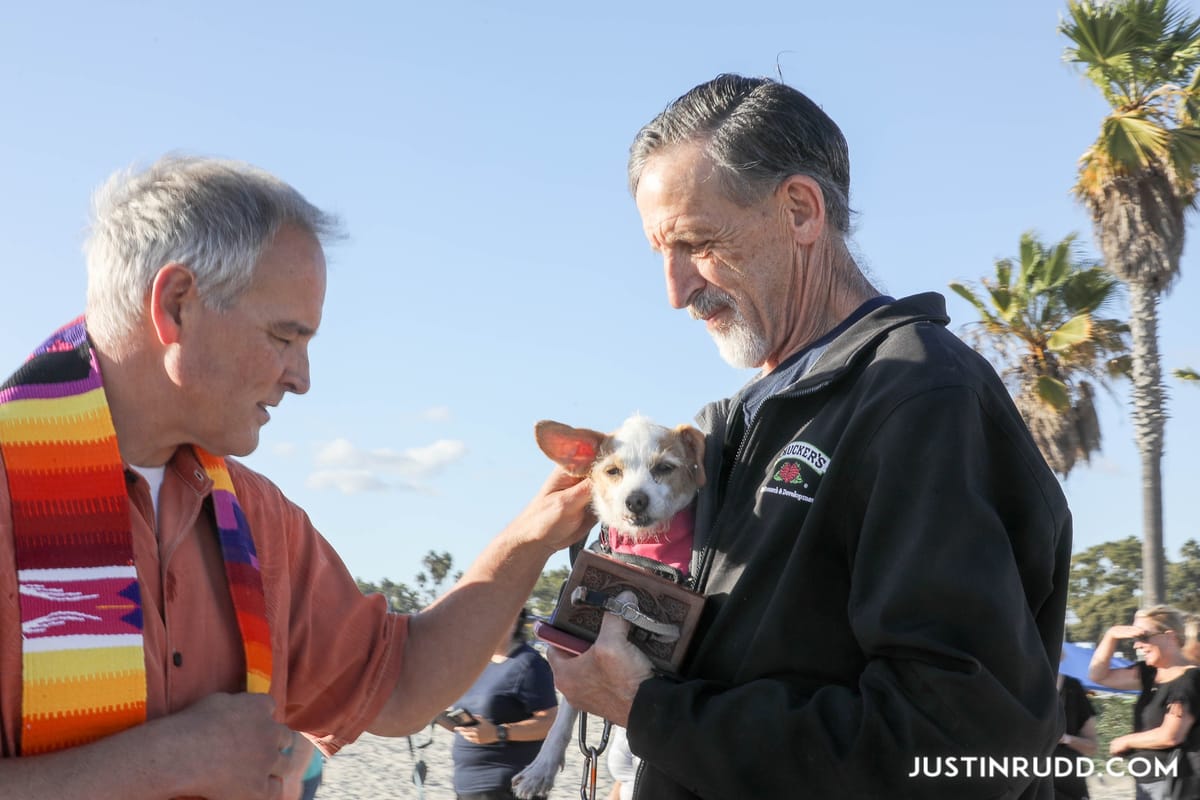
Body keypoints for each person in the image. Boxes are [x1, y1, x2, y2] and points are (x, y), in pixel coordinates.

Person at [0, 155, 595, 799]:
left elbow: (396, 685)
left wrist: (538, 531)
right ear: (176, 306)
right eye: (285, 337)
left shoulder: (255, 518)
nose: (302, 378)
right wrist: (164, 764)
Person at [546, 74, 1072, 799]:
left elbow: (962, 745)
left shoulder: (918, 395)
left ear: (800, 210)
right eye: (658, 254)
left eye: (695, 244)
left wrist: (652, 712)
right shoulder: (721, 430)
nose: (673, 291)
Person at [1089, 606, 1200, 800]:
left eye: (1144, 637)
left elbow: (1170, 735)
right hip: (1149, 782)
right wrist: (1111, 636)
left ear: (1170, 636)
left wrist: (1125, 741)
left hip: (1173, 784)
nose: (1136, 645)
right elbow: (1098, 675)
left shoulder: (1189, 678)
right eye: (1134, 639)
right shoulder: (1150, 674)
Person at [447, 608, 558, 799]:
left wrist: (499, 733)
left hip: (507, 786)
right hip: (466, 787)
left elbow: (551, 723)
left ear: (513, 620)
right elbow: (475, 726)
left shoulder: (529, 664)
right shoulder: (477, 665)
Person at [1054, 652, 1098, 800]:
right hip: (1028, 785)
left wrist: (1066, 739)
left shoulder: (1073, 688)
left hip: (1070, 787)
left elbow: (1092, 747)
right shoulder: (1019, 687)